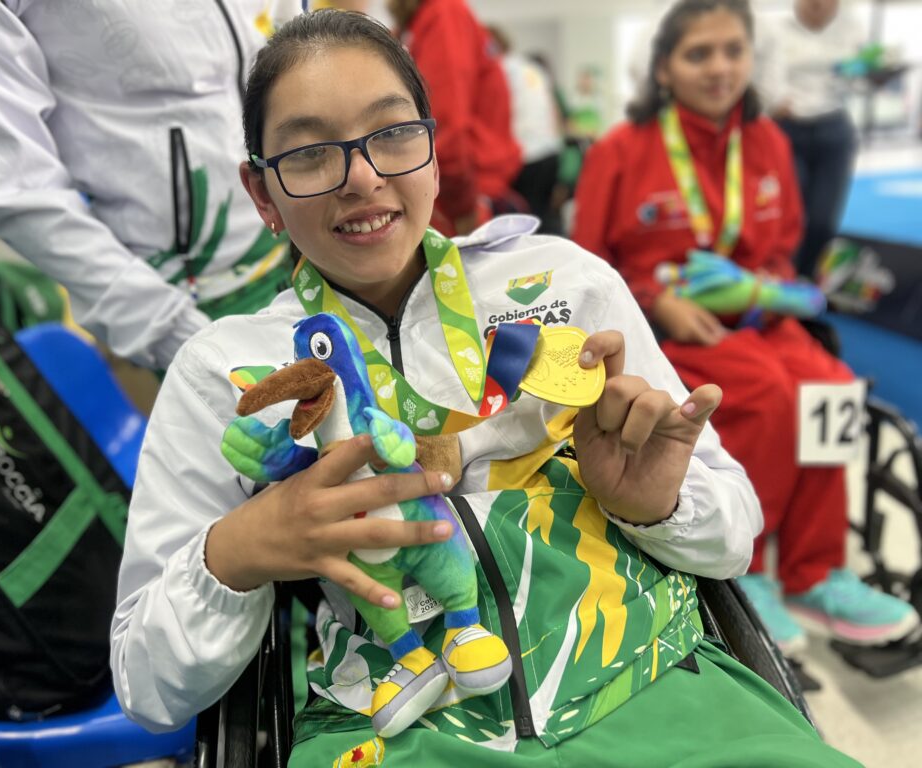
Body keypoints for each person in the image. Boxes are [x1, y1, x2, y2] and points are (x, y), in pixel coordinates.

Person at [111, 10, 861, 765]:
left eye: (393, 134)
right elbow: (147, 687)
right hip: (397, 730)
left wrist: (655, 505)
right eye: (309, 154)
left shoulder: (565, 282)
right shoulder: (223, 371)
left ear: (435, 153)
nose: (364, 178)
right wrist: (238, 552)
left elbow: (733, 535)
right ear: (262, 193)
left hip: (656, 687)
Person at [571, 0, 917, 657]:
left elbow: (782, 250)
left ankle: (817, 573)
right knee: (762, 393)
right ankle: (747, 567)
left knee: (831, 382)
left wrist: (763, 290)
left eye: (734, 50)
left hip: (754, 318)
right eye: (699, 53)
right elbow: (588, 267)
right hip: (665, 329)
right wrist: (654, 300)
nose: (720, 67)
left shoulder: (765, 144)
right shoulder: (621, 151)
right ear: (665, 69)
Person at [0, 0, 303, 371]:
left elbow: (274, 29)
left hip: (308, 241)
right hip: (189, 297)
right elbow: (9, 177)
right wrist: (166, 330)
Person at [387, 0, 522, 235]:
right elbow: (446, 123)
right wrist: (463, 206)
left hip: (445, 189)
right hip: (465, 195)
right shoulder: (444, 13)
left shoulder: (416, 24)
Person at [756, 0, 864, 278]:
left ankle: (806, 283)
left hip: (834, 128)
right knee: (789, 218)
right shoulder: (774, 29)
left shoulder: (853, 30)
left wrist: (873, 77)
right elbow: (760, 76)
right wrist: (775, 103)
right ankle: (783, 282)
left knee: (823, 220)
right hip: (788, 129)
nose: (817, 3)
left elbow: (860, 79)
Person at [488, 26, 565, 235]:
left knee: (525, 222)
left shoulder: (499, 69)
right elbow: (553, 110)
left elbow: (498, 116)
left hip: (527, 155)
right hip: (551, 151)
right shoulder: (531, 67)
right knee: (545, 216)